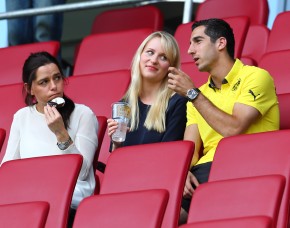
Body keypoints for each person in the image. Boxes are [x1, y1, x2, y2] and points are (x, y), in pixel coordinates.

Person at [167, 18, 280, 224]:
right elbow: (190, 149)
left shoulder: (255, 77)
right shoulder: (197, 96)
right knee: (155, 213)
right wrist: (181, 175)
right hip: (205, 172)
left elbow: (233, 129)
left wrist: (192, 94)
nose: (190, 50)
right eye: (190, 44)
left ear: (220, 43)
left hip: (248, 165)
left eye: (197, 41)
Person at [1, 51, 98, 227]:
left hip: (70, 199)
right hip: (29, 198)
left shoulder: (83, 114)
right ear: (29, 88)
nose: (53, 86)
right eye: (44, 82)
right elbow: (8, 169)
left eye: (57, 78)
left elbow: (83, 172)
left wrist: (60, 132)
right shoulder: (22, 117)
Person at [107, 31, 187, 152]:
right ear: (140, 56)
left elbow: (169, 157)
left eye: (163, 57)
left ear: (171, 67)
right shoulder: (124, 104)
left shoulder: (178, 103)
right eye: (150, 52)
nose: (154, 60)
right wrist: (116, 144)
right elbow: (116, 160)